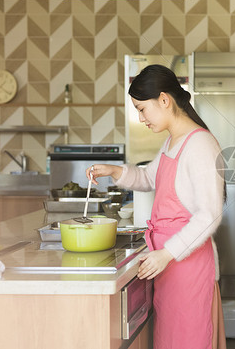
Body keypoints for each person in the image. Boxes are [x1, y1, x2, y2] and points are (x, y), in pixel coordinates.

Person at [86, 64, 227, 349]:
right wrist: (115, 171)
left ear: (164, 100)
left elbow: (209, 216)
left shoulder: (200, 144)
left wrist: (166, 254)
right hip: (168, 264)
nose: (141, 118)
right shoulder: (172, 141)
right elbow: (149, 177)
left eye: (142, 108)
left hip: (186, 267)